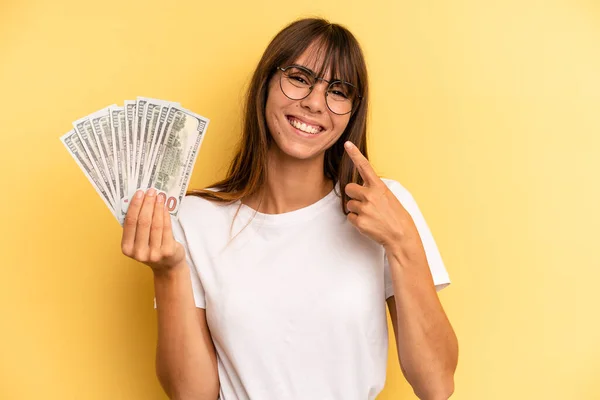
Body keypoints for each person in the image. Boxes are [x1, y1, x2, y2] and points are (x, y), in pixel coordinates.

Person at [121, 17, 458, 400]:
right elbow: (192, 394)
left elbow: (436, 386)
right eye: (298, 78)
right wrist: (167, 271)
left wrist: (404, 243)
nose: (315, 103)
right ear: (265, 84)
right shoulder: (195, 219)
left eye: (338, 90)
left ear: (351, 112)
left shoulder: (383, 205)